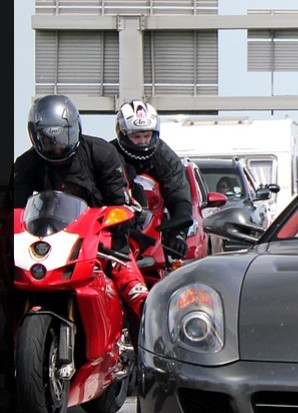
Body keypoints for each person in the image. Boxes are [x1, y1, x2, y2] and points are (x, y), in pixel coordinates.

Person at [10, 94, 149, 339]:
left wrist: (119, 232)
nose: (56, 145)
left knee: (133, 288)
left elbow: (120, 199)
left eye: (61, 136)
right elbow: (14, 208)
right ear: (35, 136)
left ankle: (148, 354)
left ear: (75, 128)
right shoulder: (26, 163)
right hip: (49, 239)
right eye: (48, 138)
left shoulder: (101, 153)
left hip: (99, 234)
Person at [111, 100, 193, 259]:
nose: (143, 141)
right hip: (119, 225)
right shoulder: (109, 154)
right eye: (136, 136)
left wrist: (178, 233)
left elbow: (179, 194)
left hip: (157, 228)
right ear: (122, 133)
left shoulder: (167, 158)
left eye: (147, 135)